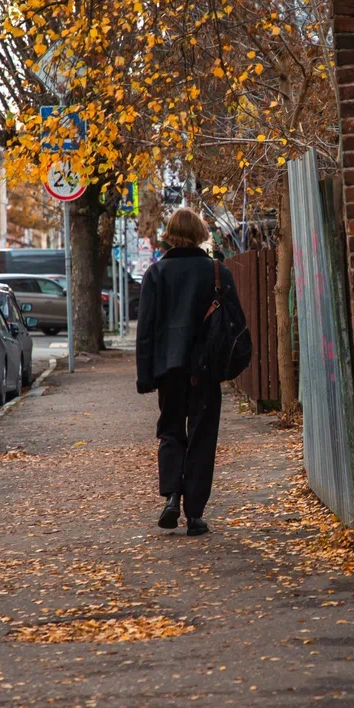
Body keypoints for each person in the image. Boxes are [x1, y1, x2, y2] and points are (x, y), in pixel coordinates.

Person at [135, 207, 241, 537]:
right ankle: (194, 514)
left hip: (169, 368)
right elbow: (235, 323)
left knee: (170, 431)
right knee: (202, 437)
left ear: (169, 235)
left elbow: (145, 329)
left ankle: (171, 497)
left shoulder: (156, 273)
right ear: (199, 234)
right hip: (205, 369)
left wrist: (145, 375)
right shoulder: (217, 272)